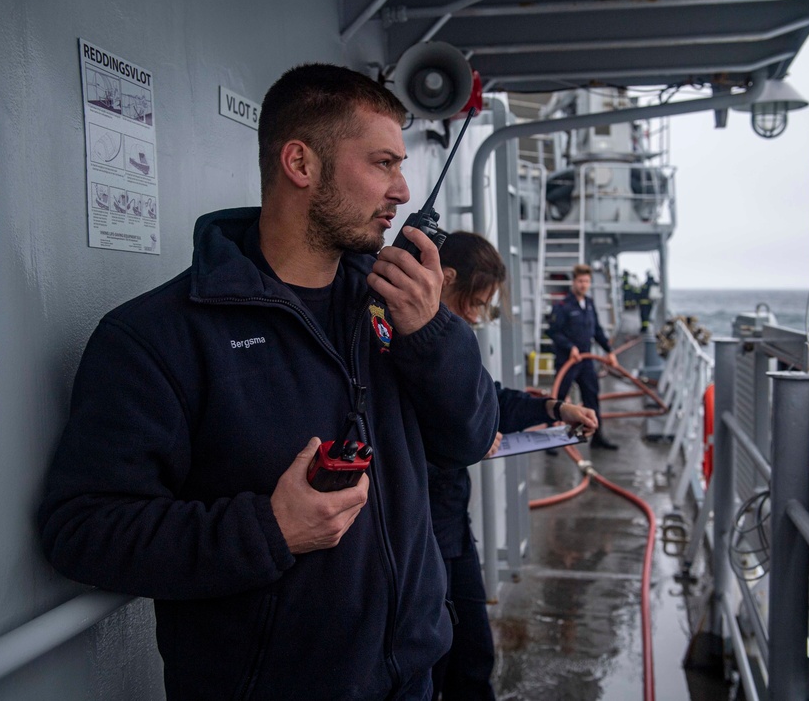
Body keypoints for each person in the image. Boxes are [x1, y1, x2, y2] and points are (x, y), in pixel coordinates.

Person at [37, 63, 499, 701]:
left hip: (410, 680)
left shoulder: (391, 308)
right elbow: (83, 531)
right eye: (384, 163)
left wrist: (430, 335)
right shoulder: (158, 337)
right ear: (300, 164)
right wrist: (268, 530)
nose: (402, 189)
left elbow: (469, 438)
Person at [429, 232, 598, 700]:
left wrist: (555, 409)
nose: (476, 316)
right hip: (420, 535)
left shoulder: (453, 343)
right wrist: (464, 442)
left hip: (451, 524)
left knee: (475, 654)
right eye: (475, 302)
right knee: (432, 663)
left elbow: (487, 401)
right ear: (445, 280)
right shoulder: (399, 342)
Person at [547, 263, 620, 450]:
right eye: (580, 281)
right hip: (568, 361)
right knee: (558, 400)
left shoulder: (589, 303)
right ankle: (548, 441)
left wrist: (609, 351)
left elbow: (597, 330)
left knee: (591, 398)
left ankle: (597, 438)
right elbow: (553, 332)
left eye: (587, 281)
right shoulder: (562, 306)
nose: (583, 285)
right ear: (574, 282)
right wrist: (569, 347)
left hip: (586, 362)